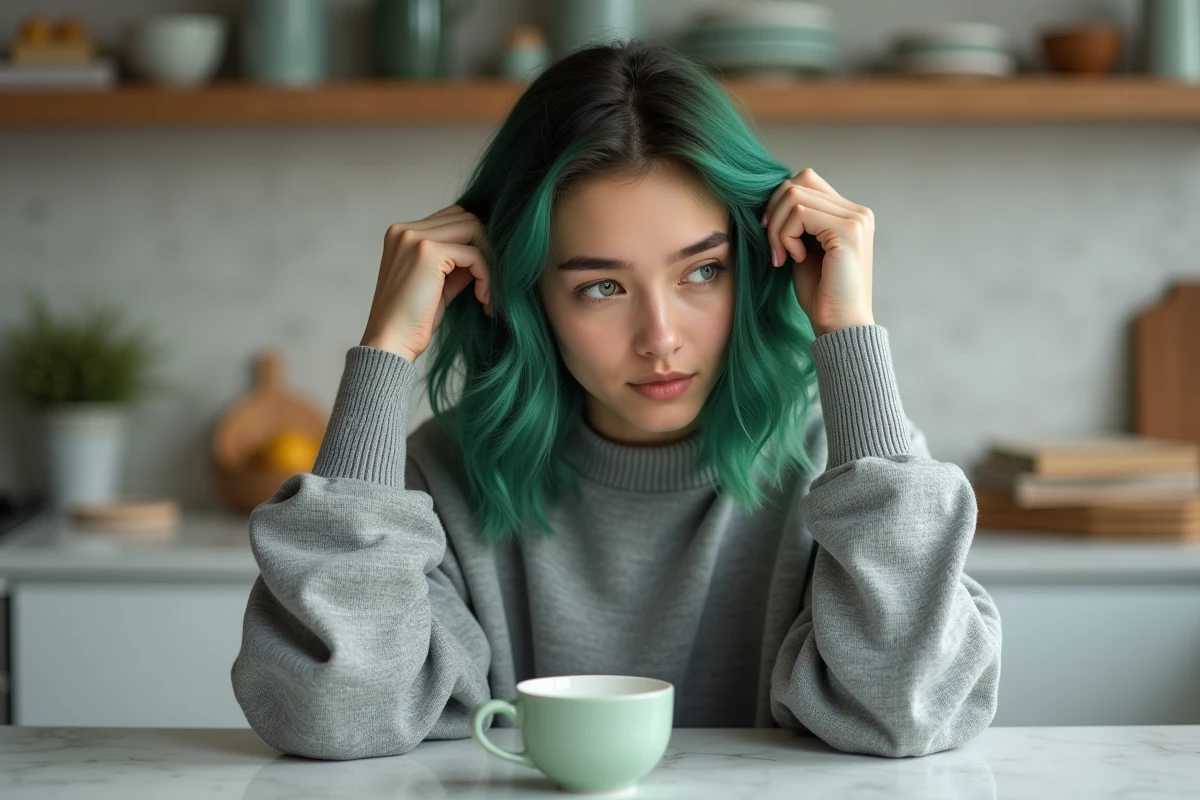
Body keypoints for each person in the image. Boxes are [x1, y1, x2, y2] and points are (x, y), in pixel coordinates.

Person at [230, 39, 1002, 762]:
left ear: (763, 262)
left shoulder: (847, 475)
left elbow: (912, 709)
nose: (660, 338)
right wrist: (383, 356)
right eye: (601, 287)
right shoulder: (441, 480)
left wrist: (849, 331)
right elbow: (333, 718)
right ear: (525, 295)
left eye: (703, 271)